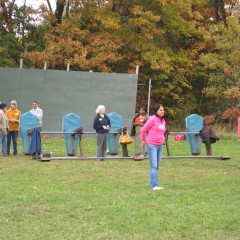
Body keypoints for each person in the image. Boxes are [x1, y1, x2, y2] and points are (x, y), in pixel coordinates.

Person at [140, 104, 167, 190]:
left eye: (163, 110)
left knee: (157, 166)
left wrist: (163, 138)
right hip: (152, 145)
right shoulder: (152, 119)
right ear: (156, 111)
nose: (162, 111)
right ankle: (153, 185)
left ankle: (156, 184)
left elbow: (162, 131)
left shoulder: (163, 121)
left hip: (159, 145)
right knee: (154, 166)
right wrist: (143, 140)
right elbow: (143, 130)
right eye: (160, 110)